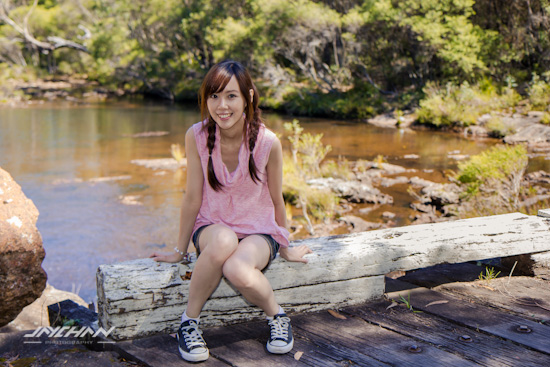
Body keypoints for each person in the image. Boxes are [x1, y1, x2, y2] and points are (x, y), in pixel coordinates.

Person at [150, 60, 312, 363]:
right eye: (214, 96)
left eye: (231, 96)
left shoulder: (268, 142)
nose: (221, 106)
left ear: (248, 97)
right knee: (224, 240)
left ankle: (277, 316)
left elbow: (277, 200)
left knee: (236, 268)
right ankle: (189, 322)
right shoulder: (196, 136)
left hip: (259, 232)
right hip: (212, 227)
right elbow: (192, 197)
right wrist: (178, 249)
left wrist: (286, 246)